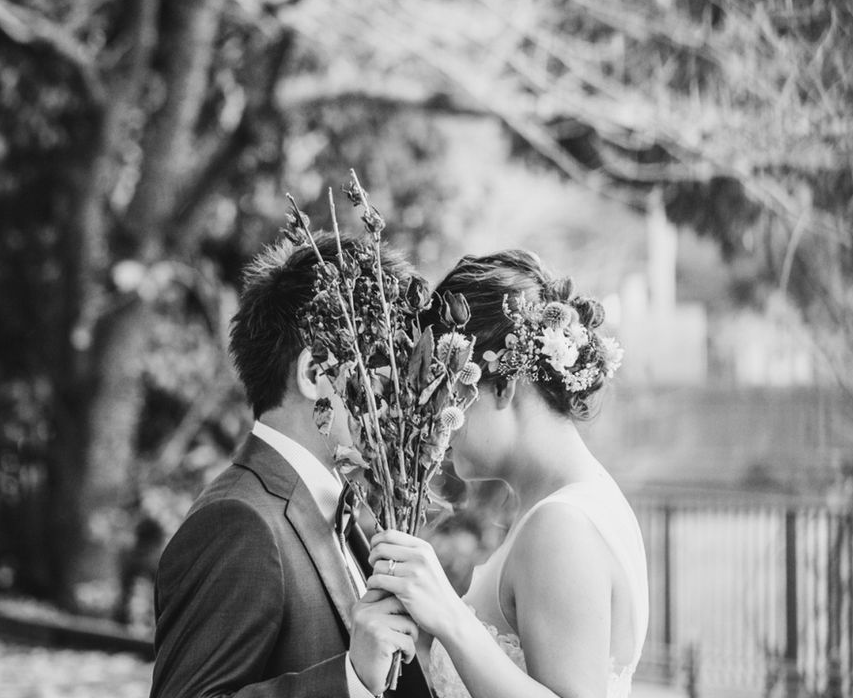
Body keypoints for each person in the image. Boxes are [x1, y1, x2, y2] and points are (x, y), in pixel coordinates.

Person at [150, 231, 431, 698]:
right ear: (316, 373)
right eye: (385, 374)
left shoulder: (334, 511)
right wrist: (350, 679)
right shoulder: (238, 522)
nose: (399, 400)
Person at [365, 249, 648, 698]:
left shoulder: (561, 525)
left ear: (502, 386)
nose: (433, 418)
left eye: (445, 391)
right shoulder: (576, 502)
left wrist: (450, 617)